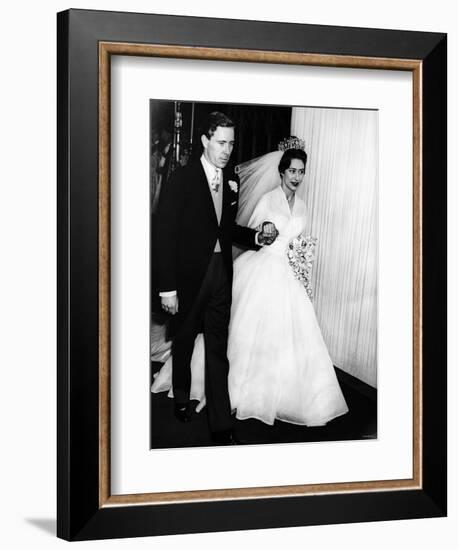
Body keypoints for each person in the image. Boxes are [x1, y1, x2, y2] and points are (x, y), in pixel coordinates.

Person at [153, 137, 348, 428]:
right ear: (281, 172)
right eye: (292, 171)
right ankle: (223, 394)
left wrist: (300, 261)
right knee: (239, 336)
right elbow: (245, 232)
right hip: (263, 270)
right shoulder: (268, 200)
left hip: (288, 276)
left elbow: (296, 242)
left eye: (301, 171)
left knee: (286, 338)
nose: (297, 177)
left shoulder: (304, 207)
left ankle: (277, 394)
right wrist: (261, 235)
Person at [154, 111, 278, 444]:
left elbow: (225, 228)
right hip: (188, 278)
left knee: (218, 352)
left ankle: (221, 424)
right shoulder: (182, 179)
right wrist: (167, 289)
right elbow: (164, 235)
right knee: (182, 342)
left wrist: (255, 237)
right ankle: (181, 396)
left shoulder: (230, 181)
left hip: (222, 277)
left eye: (231, 143)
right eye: (221, 142)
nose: (227, 150)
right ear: (205, 141)